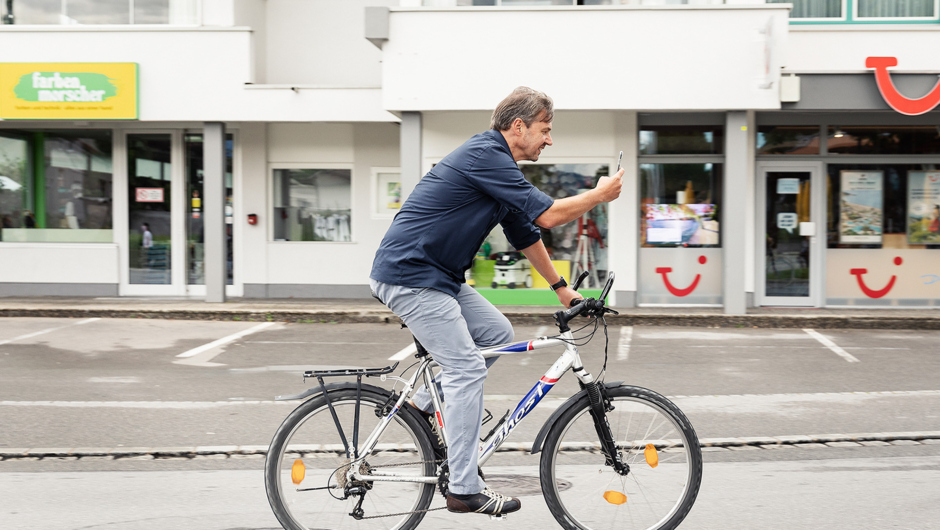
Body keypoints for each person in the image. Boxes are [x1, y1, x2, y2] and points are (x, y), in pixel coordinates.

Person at [369, 87, 623, 516]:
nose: (549, 140)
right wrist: (598, 195)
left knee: (495, 333)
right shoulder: (484, 155)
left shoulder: (498, 169)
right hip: (411, 275)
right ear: (518, 126)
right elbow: (548, 216)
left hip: (439, 277)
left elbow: (527, 232)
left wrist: (561, 288)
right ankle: (464, 490)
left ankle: (421, 407)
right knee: (466, 368)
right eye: (545, 130)